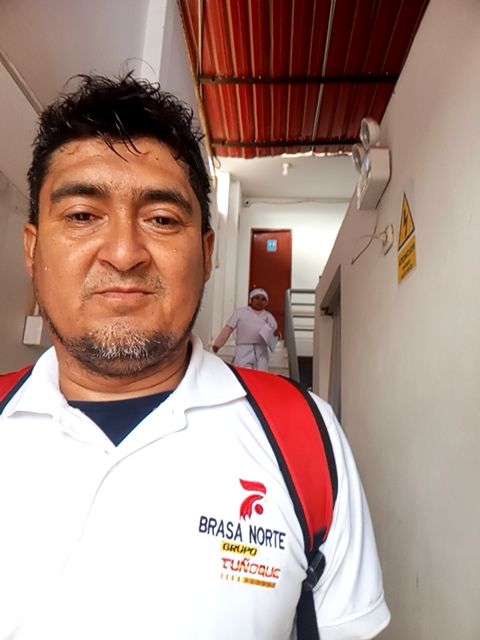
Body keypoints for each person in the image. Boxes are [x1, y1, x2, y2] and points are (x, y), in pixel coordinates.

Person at [0, 74, 390, 640]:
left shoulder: (304, 436)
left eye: (161, 219)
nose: (124, 253)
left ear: (207, 255)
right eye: (82, 215)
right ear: (32, 250)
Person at [212, 287, 280, 371]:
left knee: (261, 373)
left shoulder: (268, 316)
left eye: (263, 299)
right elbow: (228, 329)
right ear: (250, 300)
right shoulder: (240, 312)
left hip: (261, 350)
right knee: (242, 371)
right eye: (257, 298)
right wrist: (217, 344)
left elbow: (274, 333)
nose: (259, 301)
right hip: (243, 349)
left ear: (266, 303)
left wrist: (276, 334)